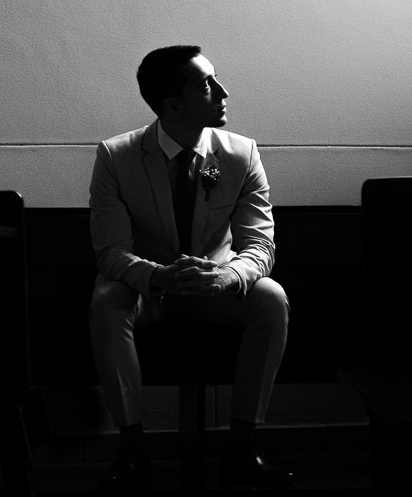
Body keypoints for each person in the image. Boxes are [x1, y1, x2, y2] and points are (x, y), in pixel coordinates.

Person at [88, 45, 292, 491]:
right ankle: (133, 451)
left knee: (271, 296)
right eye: (206, 85)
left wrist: (228, 276)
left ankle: (243, 449)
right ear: (172, 105)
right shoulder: (116, 157)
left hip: (217, 293)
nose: (223, 91)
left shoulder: (241, 154)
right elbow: (110, 252)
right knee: (107, 298)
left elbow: (260, 243)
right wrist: (158, 276)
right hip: (152, 296)